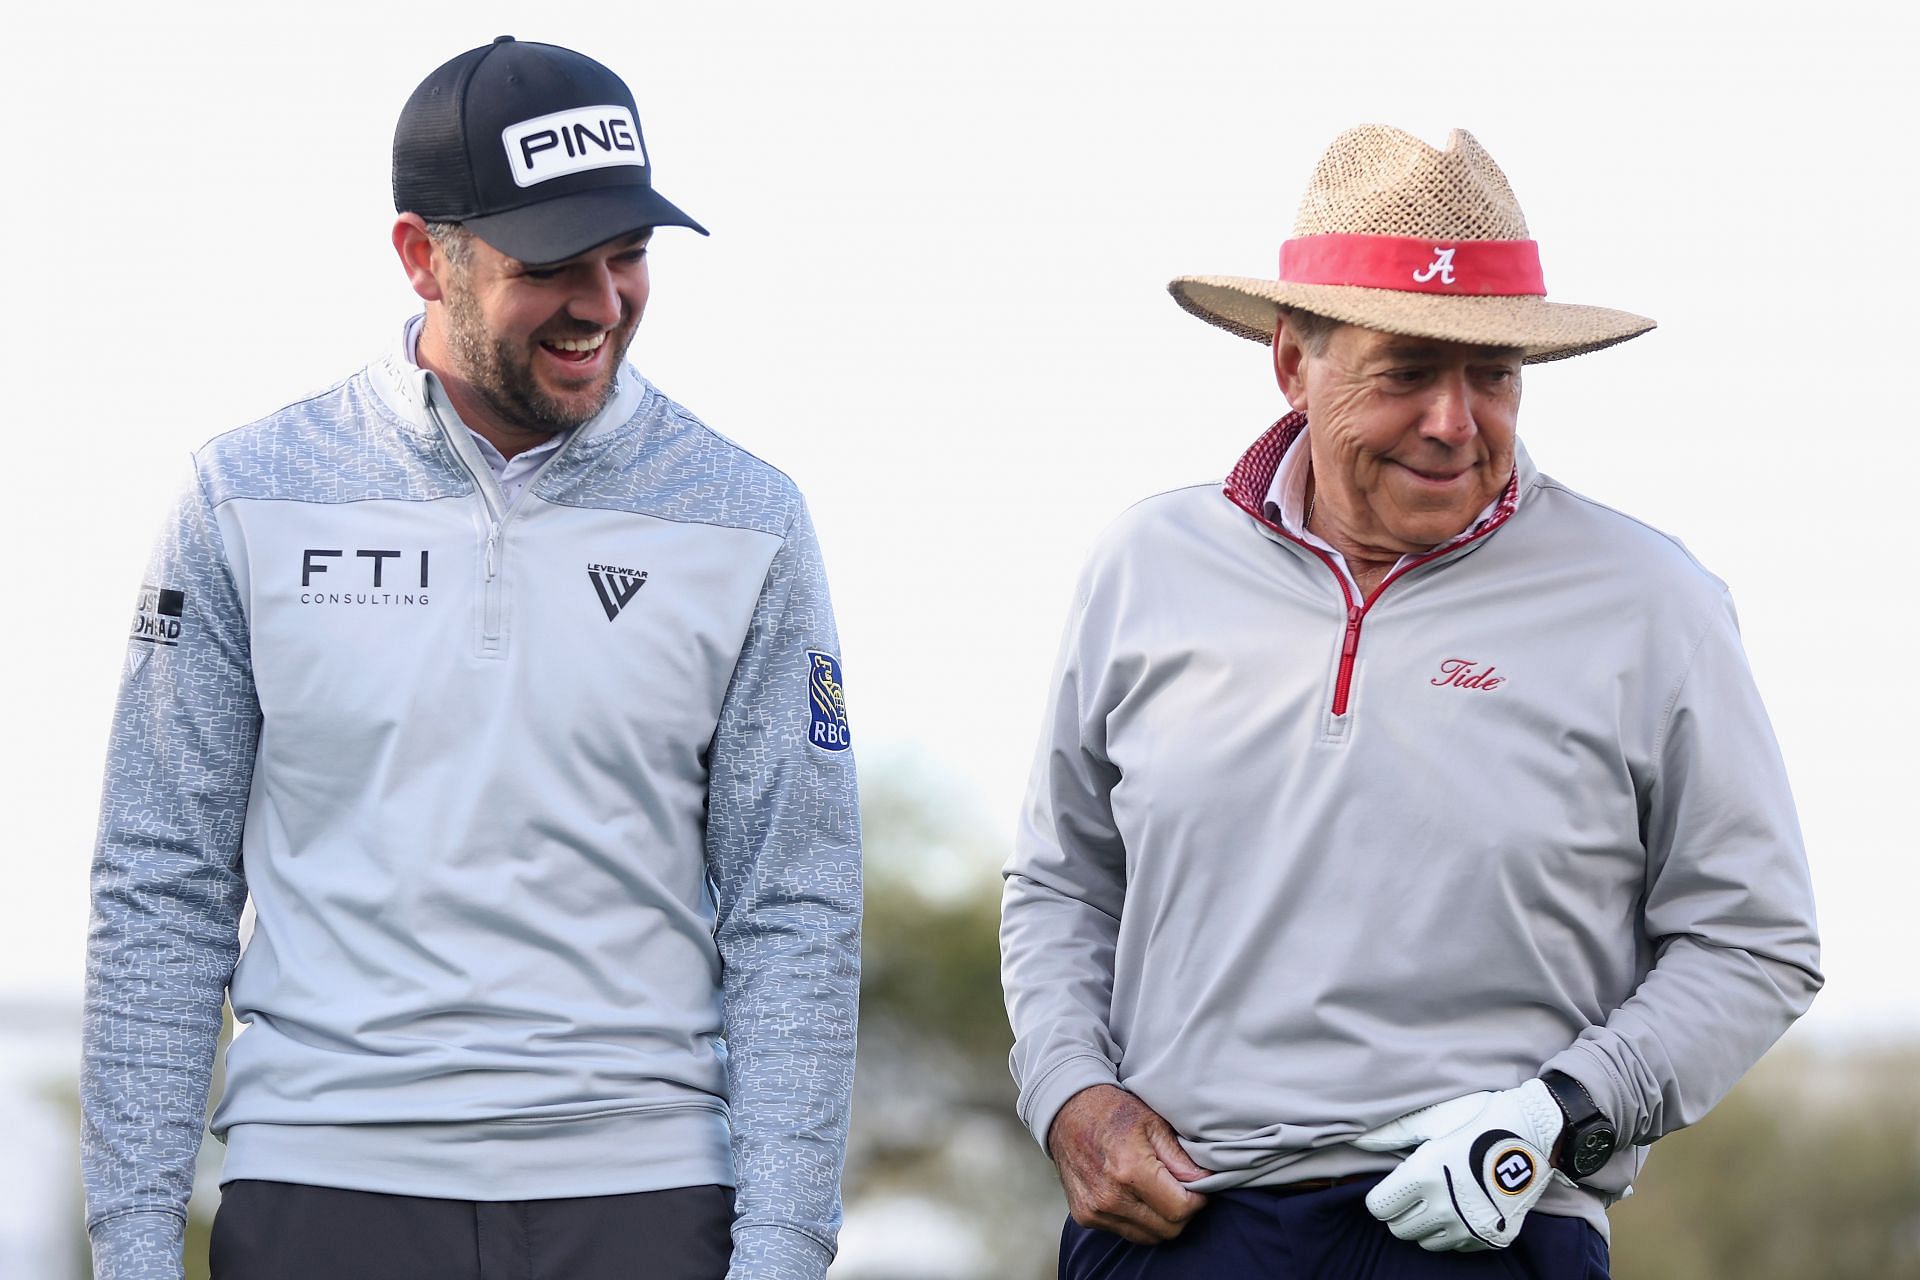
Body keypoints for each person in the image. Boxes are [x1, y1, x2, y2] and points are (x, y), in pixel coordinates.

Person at [81, 36, 860, 1280]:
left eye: (630, 254)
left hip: (649, 1200)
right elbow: (162, 882)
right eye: (552, 264)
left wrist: (781, 1249)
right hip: (323, 1187)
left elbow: (796, 909)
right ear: (421, 255)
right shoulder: (241, 496)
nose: (603, 304)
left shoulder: (750, 515)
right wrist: (130, 1242)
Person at [999, 125, 1821, 1279]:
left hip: (1484, 1226)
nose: (1454, 420)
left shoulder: (1652, 602)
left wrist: (1556, 1118)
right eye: (1408, 370)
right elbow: (1063, 880)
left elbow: (1754, 938)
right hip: (1171, 1229)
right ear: (1293, 358)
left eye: (1492, 373)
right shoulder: (1144, 564)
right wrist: (1069, 1091)